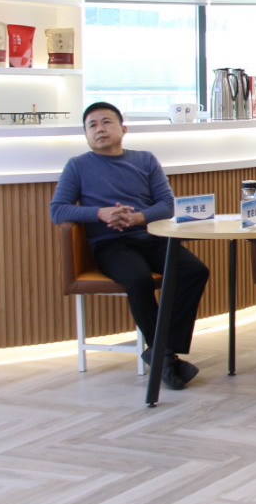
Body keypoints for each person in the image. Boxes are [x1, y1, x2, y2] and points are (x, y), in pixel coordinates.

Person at [50, 102, 210, 390]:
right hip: (110, 244)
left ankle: (161, 351)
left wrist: (138, 217)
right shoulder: (77, 165)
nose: (99, 129)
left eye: (106, 122)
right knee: (138, 280)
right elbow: (57, 210)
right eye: (92, 125)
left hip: (151, 237)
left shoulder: (145, 160)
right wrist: (100, 213)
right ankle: (165, 356)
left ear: (123, 129)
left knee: (195, 270)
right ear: (86, 135)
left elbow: (167, 204)